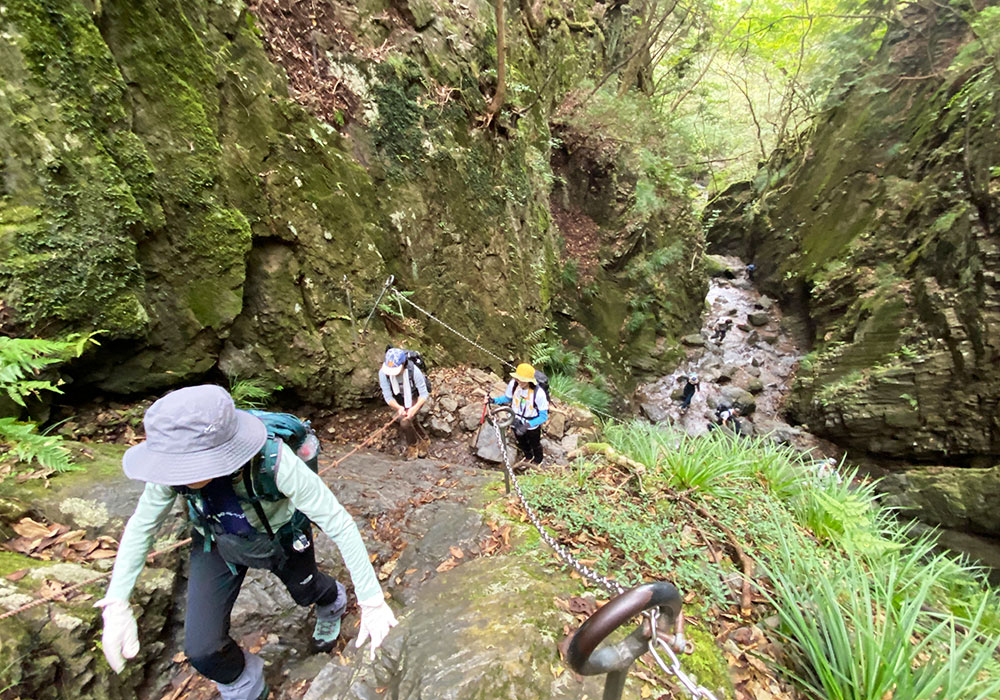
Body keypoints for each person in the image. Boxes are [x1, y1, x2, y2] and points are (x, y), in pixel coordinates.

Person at [97, 385, 397, 700]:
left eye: (188, 465)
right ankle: (245, 684)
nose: (179, 476)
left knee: (305, 591)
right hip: (216, 541)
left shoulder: (275, 461)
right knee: (202, 649)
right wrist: (117, 601)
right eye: (175, 466)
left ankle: (331, 600)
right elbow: (142, 526)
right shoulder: (168, 473)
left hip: (280, 537)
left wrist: (371, 599)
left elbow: (338, 521)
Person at [490, 363, 549, 465]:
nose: (518, 380)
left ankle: (537, 460)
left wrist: (526, 425)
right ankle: (527, 456)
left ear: (528, 380)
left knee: (535, 443)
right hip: (515, 419)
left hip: (531, 424)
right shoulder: (514, 384)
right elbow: (508, 398)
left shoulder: (538, 394)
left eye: (521, 379)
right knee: (521, 441)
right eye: (517, 378)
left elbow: (543, 416)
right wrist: (493, 400)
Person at [379, 347, 430, 460]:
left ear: (403, 364)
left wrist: (414, 408)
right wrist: (398, 407)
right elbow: (387, 396)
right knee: (410, 419)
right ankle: (424, 440)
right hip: (399, 398)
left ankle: (413, 446)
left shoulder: (414, 371)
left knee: (405, 422)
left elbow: (424, 394)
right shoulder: (383, 373)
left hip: (414, 396)